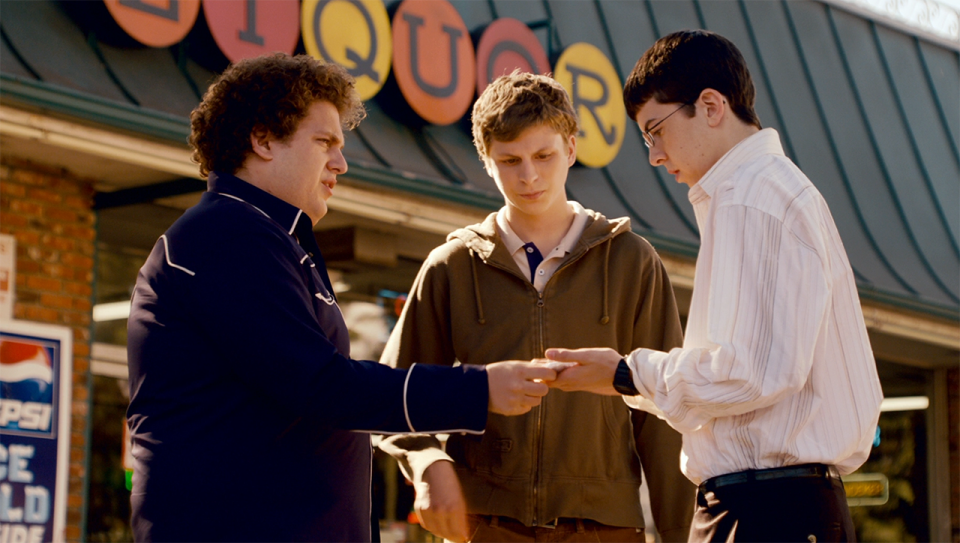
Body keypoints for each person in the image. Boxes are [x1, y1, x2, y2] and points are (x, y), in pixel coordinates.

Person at [125, 54, 557, 543]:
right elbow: (320, 386)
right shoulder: (226, 236)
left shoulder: (271, 238)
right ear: (263, 139)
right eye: (324, 142)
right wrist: (477, 391)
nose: (341, 162)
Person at [545, 30, 884, 542]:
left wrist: (625, 372)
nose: (655, 156)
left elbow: (753, 370)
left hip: (767, 509)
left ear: (710, 105)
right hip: (779, 504)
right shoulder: (766, 191)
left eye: (655, 130)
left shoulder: (752, 198)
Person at [379, 71, 695, 543]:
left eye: (543, 156)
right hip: (484, 526)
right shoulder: (451, 267)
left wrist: (680, 534)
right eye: (510, 160)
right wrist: (428, 462)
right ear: (486, 162)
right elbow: (394, 394)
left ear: (570, 148)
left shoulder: (632, 261)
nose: (529, 176)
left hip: (604, 528)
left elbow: (667, 414)